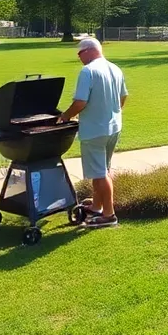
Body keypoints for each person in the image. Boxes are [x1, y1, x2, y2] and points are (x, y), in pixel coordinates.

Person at [58, 37, 128, 229]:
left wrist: (65, 116)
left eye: (79, 53)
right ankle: (97, 207)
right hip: (114, 128)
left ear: (88, 51)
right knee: (103, 171)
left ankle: (109, 215)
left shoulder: (88, 71)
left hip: (95, 130)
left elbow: (80, 102)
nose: (79, 57)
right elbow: (123, 98)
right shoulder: (115, 69)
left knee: (99, 173)